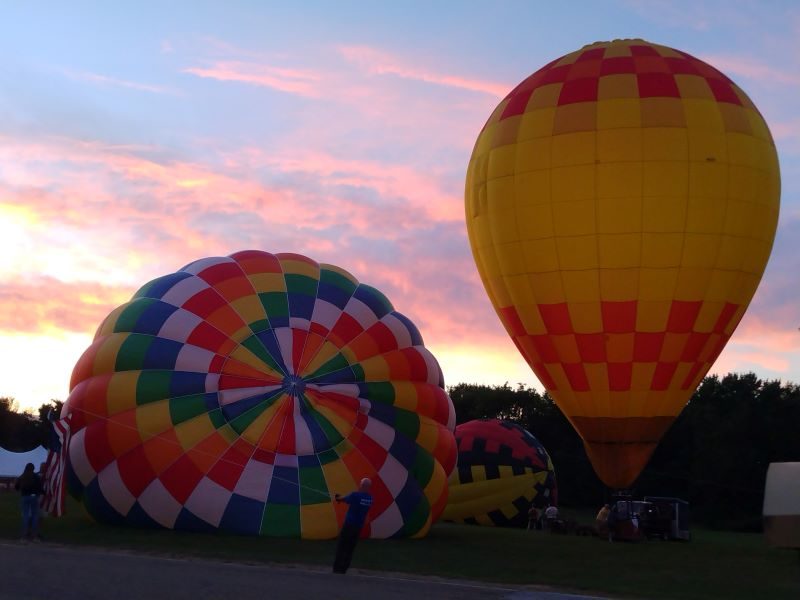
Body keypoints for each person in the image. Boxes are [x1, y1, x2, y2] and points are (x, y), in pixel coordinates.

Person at [332, 478, 373, 574]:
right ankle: (344, 569)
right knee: (350, 549)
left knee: (342, 547)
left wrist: (338, 498)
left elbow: (345, 499)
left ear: (362, 486)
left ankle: (337, 569)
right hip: (358, 528)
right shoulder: (370, 499)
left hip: (349, 526)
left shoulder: (355, 495)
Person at [14, 463, 44, 542]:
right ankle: (35, 537)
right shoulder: (36, 477)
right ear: (33, 469)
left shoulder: (22, 477)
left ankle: (24, 537)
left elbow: (16, 487)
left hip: (25, 497)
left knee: (25, 516)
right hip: (34, 497)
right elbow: (40, 488)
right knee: (35, 516)